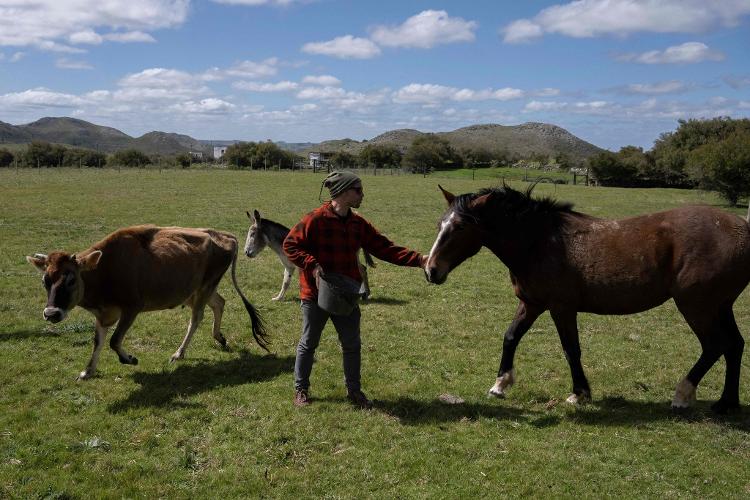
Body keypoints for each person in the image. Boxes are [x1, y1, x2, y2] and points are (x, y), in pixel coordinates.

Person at [283, 171, 425, 409]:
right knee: (309, 342)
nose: (362, 194)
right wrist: (313, 265)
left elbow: (384, 248)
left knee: (352, 344)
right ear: (344, 192)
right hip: (315, 294)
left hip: (346, 293)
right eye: (358, 190)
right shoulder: (315, 220)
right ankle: (301, 389)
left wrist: (420, 260)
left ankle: (354, 390)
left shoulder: (358, 224)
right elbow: (290, 244)